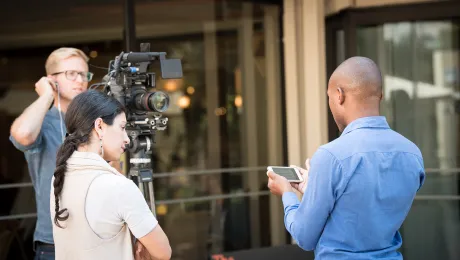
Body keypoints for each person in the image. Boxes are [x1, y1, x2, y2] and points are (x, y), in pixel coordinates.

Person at [267, 56, 426, 259]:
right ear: (381, 96)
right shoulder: (412, 154)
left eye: (329, 97)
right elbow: (366, 208)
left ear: (339, 95)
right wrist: (313, 189)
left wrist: (287, 193)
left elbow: (304, 236)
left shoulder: (331, 156)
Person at [50, 90, 171, 260]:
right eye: (122, 127)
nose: (127, 139)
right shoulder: (118, 187)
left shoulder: (59, 177)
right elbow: (163, 252)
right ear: (99, 126)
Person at [9, 47, 92, 259]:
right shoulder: (42, 124)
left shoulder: (95, 124)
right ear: (51, 79)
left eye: (83, 74)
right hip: (54, 244)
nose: (80, 80)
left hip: (98, 239)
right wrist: (47, 95)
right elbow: (23, 134)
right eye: (71, 74)